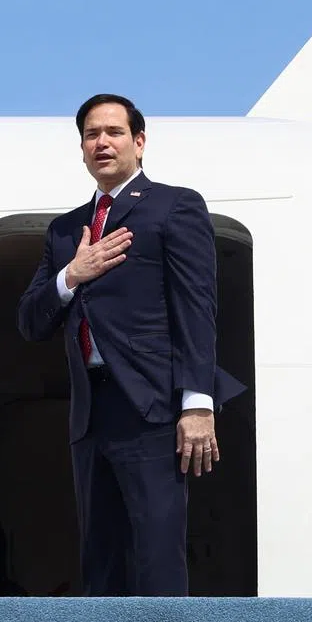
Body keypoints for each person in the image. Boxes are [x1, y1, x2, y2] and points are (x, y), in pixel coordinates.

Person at [17, 93, 245, 596]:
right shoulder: (64, 231)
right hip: (90, 409)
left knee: (156, 546)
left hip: (153, 404)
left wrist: (197, 403)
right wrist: (70, 276)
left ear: (139, 143)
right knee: (100, 551)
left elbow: (195, 308)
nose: (102, 142)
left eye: (114, 132)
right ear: (81, 149)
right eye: (92, 134)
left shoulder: (173, 206)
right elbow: (31, 322)